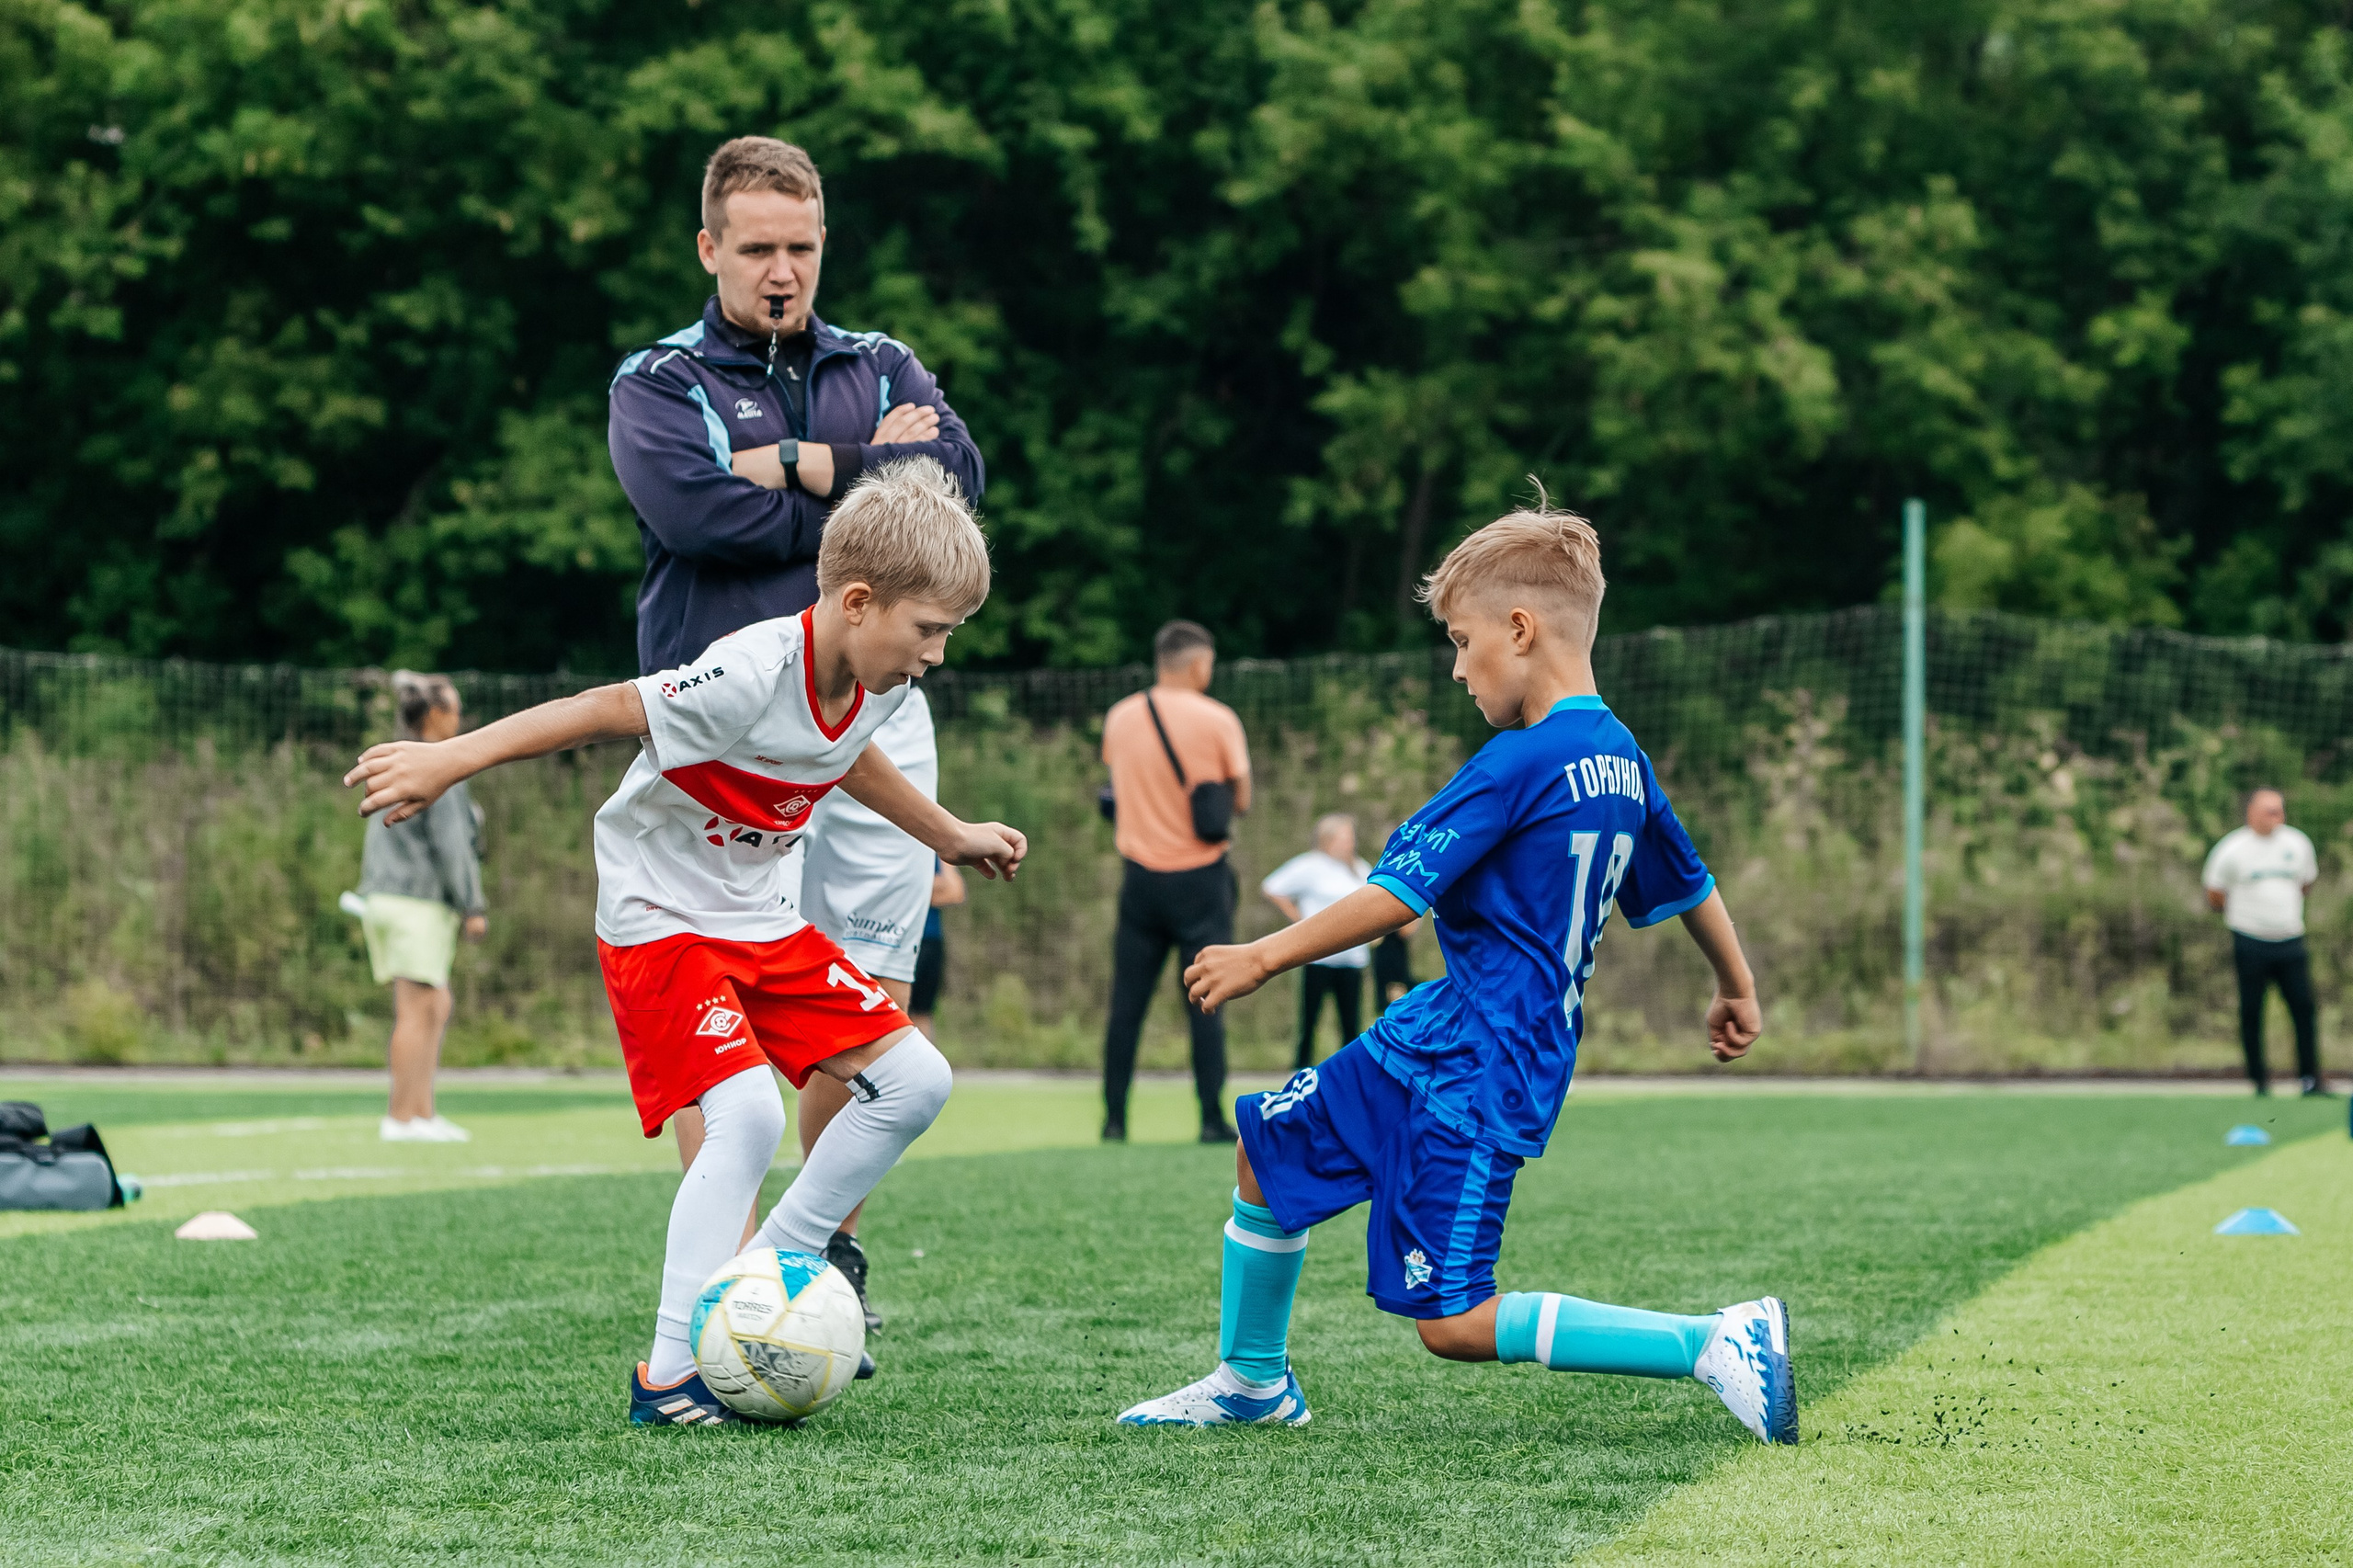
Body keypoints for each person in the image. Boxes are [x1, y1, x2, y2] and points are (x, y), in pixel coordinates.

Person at [344, 460, 1027, 1426]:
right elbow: (601, 709)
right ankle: (669, 1371)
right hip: (661, 918)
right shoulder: (748, 670)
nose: (939, 654)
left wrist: (946, 831)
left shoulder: (879, 681)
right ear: (860, 601)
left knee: (920, 1079)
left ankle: (769, 1268)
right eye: (929, 631)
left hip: (763, 922)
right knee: (745, 1112)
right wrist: (452, 757)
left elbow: (845, 753)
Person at [1115, 501, 1793, 1446]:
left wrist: (1263, 952)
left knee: (1452, 1320)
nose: (1455, 664)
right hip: (1435, 1029)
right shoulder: (1620, 757)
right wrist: (1737, 983)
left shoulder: (1518, 758)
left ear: (1520, 630)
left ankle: (1714, 1339)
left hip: (1485, 1062)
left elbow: (1397, 894)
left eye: (1461, 639)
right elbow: (1688, 880)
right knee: (1267, 1149)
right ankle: (1251, 1380)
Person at [610, 133, 986, 1333]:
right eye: (759, 248)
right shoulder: (659, 383)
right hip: (719, 730)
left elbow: (958, 484)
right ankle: (723, 1290)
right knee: (716, 1009)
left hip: (872, 723)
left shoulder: (878, 361)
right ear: (710, 248)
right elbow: (697, 513)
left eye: (803, 248)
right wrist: (870, 496)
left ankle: (817, 1272)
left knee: (866, 1008)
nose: (783, 271)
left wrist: (803, 465)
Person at [1098, 620, 1253, 1144]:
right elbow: (1242, 801)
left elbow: (1116, 788)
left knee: (1126, 1005)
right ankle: (1210, 1117)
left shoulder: (1120, 717)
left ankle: (1115, 1120)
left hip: (1139, 879)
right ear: (1198, 665)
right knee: (1207, 999)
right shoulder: (1218, 720)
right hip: (1201, 881)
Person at [358, 672, 487, 1143]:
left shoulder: (400, 758)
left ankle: (423, 1112)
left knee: (435, 1003)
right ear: (434, 714)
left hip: (388, 897)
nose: (460, 718)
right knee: (417, 1007)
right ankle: (402, 1117)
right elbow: (452, 846)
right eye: (454, 709)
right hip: (416, 900)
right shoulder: (439, 765)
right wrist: (472, 904)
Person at [2204, 789, 2326, 1096]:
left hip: (2290, 940)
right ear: (2252, 813)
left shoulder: (2297, 843)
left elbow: (2305, 884)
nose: (2277, 817)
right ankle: (2259, 1080)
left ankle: (2310, 1079)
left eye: (2279, 811)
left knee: (2303, 1008)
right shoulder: (2232, 849)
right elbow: (2215, 893)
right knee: (2252, 1010)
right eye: (2269, 811)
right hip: (2249, 941)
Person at [1262, 814, 1374, 1070]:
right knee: (1310, 1018)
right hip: (1319, 957)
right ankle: (1300, 1067)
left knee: (1350, 1021)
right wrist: (1300, 922)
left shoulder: (1358, 868)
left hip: (1352, 959)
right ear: (1327, 840)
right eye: (1343, 838)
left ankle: (1351, 1069)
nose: (1349, 843)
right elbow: (1273, 887)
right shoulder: (1311, 865)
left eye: (1350, 838)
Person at [909, 859, 965, 1040]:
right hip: (891, 938)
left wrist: (907, 890)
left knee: (922, 1012)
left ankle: (921, 1067)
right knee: (892, 1011)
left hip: (929, 940)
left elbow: (955, 892)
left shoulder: (936, 847)